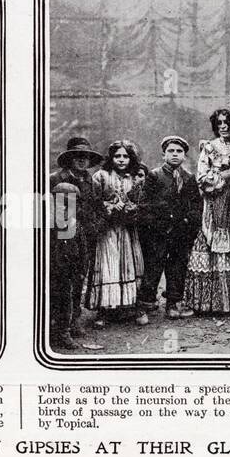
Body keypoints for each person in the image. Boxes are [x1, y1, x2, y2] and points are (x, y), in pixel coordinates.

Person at [183, 107, 230, 315]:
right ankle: (212, 303)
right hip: (216, 202)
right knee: (213, 244)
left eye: (227, 123)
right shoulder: (210, 148)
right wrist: (228, 174)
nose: (223, 127)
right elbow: (202, 179)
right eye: (219, 123)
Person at [137, 135, 202, 319]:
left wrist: (189, 223)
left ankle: (172, 303)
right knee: (153, 266)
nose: (175, 154)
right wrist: (154, 225)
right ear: (163, 155)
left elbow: (196, 205)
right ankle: (145, 304)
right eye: (171, 151)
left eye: (179, 151)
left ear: (184, 156)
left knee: (177, 267)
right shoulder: (154, 176)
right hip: (157, 231)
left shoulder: (189, 178)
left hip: (180, 232)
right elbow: (145, 204)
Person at [84, 140, 148, 327]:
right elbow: (93, 202)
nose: (121, 160)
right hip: (108, 230)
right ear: (111, 157)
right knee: (108, 266)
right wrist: (110, 205)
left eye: (125, 156)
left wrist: (130, 207)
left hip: (128, 229)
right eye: (117, 156)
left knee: (129, 265)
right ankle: (105, 310)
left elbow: (140, 201)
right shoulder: (100, 176)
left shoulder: (135, 177)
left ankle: (130, 306)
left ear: (131, 158)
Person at [49, 137, 103, 338]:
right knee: (61, 282)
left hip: (85, 237)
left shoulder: (90, 180)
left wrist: (95, 227)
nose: (82, 160)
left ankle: (74, 321)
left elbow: (99, 208)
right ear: (70, 158)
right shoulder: (55, 179)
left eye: (86, 157)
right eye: (77, 156)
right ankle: (59, 328)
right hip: (62, 238)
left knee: (79, 279)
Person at [49, 181, 87, 350]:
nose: (64, 209)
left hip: (68, 272)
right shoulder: (48, 227)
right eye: (60, 204)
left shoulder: (76, 226)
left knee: (66, 303)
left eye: (69, 205)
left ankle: (64, 333)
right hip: (52, 272)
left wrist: (81, 270)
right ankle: (50, 331)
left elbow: (83, 251)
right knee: (51, 302)